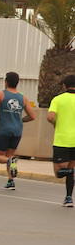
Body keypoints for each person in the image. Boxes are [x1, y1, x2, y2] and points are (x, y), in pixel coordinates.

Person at [0, 71, 36, 190]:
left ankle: (11, 161)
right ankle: (11, 181)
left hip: (4, 130)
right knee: (10, 154)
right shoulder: (23, 97)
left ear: (6, 82)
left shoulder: (1, 94)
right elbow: (33, 116)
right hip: (17, 131)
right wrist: (21, 120)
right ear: (17, 83)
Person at [48, 74, 75, 207]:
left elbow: (50, 117)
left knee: (58, 173)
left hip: (62, 140)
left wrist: (55, 123)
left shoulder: (57, 99)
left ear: (64, 86)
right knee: (71, 168)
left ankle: (71, 173)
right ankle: (69, 198)